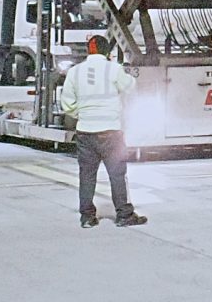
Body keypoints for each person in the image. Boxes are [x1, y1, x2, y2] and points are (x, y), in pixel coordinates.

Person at [57, 34, 147, 228]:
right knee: (117, 174)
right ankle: (124, 215)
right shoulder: (113, 70)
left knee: (87, 175)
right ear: (107, 52)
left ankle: (87, 217)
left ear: (89, 51)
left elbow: (67, 103)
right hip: (110, 132)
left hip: (85, 132)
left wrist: (82, 114)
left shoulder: (75, 72)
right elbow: (131, 87)